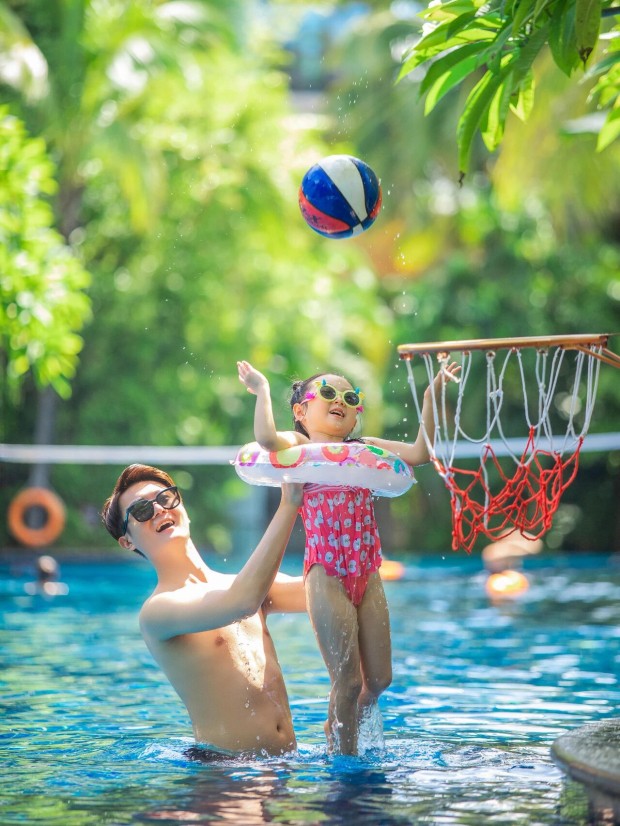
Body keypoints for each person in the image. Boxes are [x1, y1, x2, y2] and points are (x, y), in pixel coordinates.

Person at [237, 359, 460, 754]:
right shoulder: (300, 446)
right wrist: (262, 390)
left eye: (350, 397)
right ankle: (344, 761)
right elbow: (267, 440)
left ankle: (341, 722)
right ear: (301, 410)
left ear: (356, 414)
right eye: (327, 393)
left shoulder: (362, 450)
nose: (339, 400)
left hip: (367, 572)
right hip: (326, 573)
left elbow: (420, 452)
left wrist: (430, 396)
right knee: (348, 681)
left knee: (379, 680)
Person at [101, 463, 306, 757]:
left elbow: (322, 593)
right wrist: (289, 505)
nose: (158, 509)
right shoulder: (157, 611)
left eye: (165, 498)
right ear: (127, 541)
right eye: (141, 510)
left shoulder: (244, 585)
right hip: (223, 771)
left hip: (287, 766)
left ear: (183, 509)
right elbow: (242, 603)